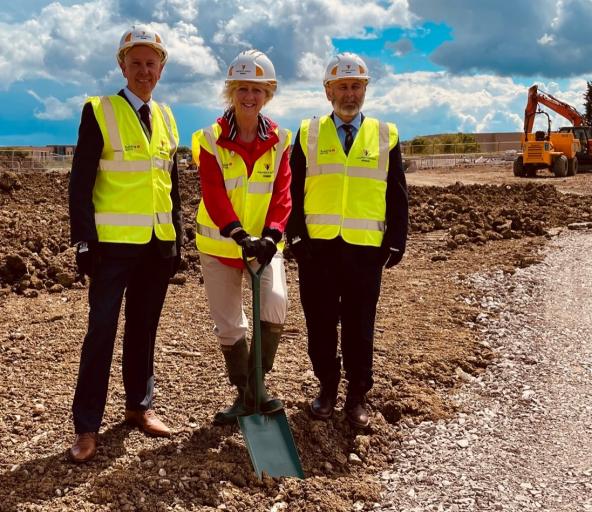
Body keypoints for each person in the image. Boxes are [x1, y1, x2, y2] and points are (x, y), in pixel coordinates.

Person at [67, 26, 182, 463]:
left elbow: (170, 184)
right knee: (101, 332)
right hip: (112, 247)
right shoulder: (100, 111)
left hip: (156, 245)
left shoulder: (168, 117)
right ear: (122, 65)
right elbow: (81, 182)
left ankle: (139, 407)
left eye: (151, 63)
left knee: (143, 330)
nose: (144, 71)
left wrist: (177, 239)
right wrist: (82, 241)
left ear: (161, 68)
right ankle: (87, 427)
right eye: (135, 63)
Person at [287, 52, 408, 428]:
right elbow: (291, 189)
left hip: (363, 251)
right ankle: (326, 387)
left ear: (365, 89)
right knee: (320, 325)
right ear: (328, 91)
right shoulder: (307, 133)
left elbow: (396, 192)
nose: (349, 94)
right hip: (317, 251)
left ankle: (357, 396)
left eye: (356, 86)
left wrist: (396, 241)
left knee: (359, 326)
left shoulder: (385, 134)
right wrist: (294, 238)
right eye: (342, 86)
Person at [191, 49, 291, 425]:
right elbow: (213, 192)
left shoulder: (281, 139)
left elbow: (284, 191)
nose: (250, 97)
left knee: (275, 303)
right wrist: (237, 232)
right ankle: (243, 392)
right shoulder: (210, 138)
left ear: (269, 94)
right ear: (231, 91)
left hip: (265, 247)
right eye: (242, 88)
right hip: (220, 246)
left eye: (258, 89)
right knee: (230, 323)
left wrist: (271, 235)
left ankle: (256, 390)